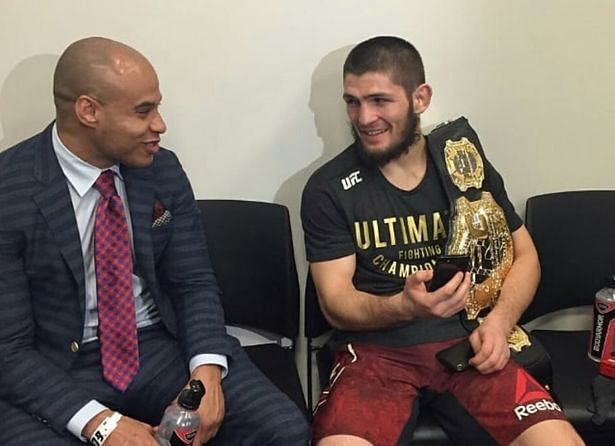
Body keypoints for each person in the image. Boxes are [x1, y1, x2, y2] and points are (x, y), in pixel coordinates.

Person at [0, 37, 308, 446]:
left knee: (282, 432)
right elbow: (9, 348)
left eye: (157, 107)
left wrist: (207, 373)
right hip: (52, 363)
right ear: (88, 111)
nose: (160, 125)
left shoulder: (161, 169)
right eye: (143, 111)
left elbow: (193, 281)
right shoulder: (10, 189)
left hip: (156, 349)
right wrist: (103, 425)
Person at [301, 36, 584, 446]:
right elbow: (335, 303)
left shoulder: (461, 163)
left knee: (561, 442)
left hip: (467, 342)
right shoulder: (328, 188)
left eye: (380, 100)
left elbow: (525, 256)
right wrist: (403, 305)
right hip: (374, 357)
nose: (364, 117)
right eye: (352, 101)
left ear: (421, 98)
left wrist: (499, 323)